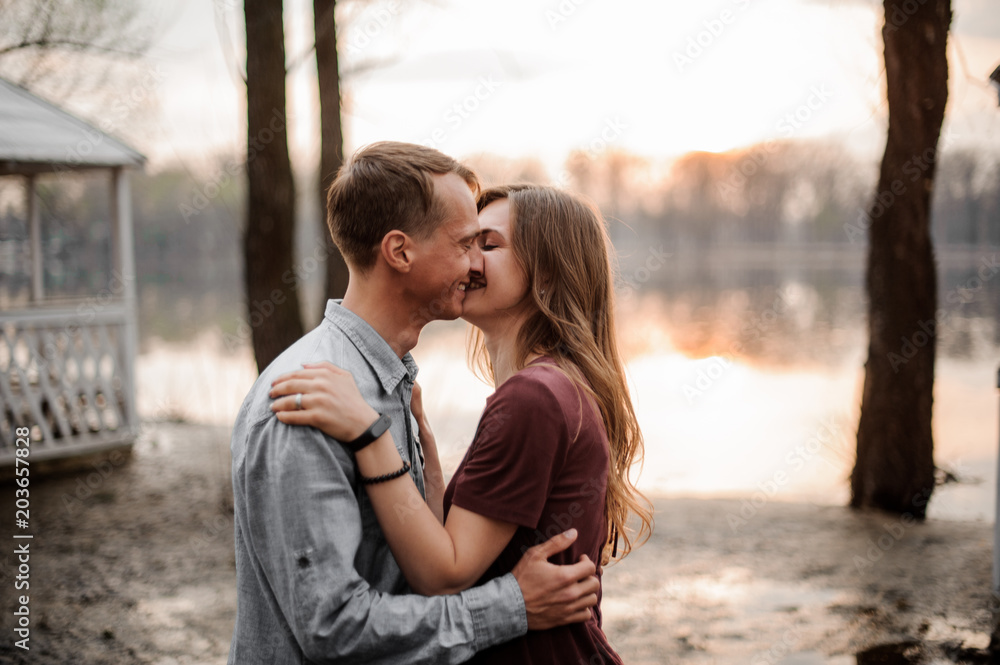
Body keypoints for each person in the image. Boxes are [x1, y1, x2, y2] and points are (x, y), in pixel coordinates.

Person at [228, 144, 602, 665]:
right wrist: (511, 605)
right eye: (467, 243)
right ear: (400, 252)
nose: (474, 264)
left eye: (486, 245)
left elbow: (417, 570)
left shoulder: (389, 384)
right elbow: (332, 628)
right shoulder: (306, 400)